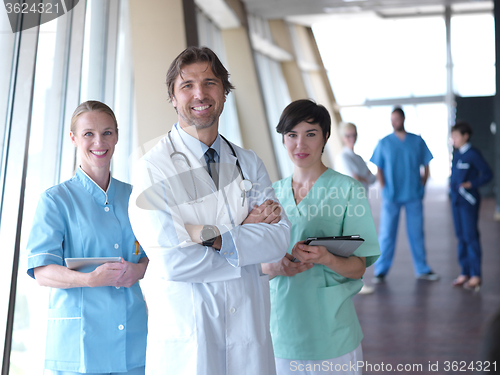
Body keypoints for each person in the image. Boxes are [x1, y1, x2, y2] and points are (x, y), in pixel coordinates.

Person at [128, 46, 290, 375]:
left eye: (210, 82)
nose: (200, 93)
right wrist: (243, 232)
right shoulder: (152, 168)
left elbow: (277, 240)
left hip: (247, 329)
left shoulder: (248, 162)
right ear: (173, 97)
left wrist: (210, 238)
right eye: (187, 85)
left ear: (225, 93)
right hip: (189, 334)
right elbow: (173, 259)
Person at [25, 101, 148, 374]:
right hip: (80, 347)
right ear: (73, 138)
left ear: (116, 136)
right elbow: (42, 271)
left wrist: (137, 270)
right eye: (88, 134)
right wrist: (89, 280)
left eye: (106, 133)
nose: (99, 142)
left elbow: (156, 255)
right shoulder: (56, 200)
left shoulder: (134, 198)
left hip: (132, 342)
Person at [262, 99, 380, 375]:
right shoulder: (269, 195)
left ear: (326, 137)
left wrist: (327, 257)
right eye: (292, 135)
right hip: (280, 333)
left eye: (310, 134)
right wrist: (274, 267)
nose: (300, 144)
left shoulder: (348, 190)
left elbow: (358, 268)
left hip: (332, 334)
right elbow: (252, 265)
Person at [370, 107, 438, 283]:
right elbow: (379, 169)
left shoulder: (416, 141)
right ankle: (381, 270)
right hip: (391, 196)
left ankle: (422, 269)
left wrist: (421, 186)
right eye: (392, 119)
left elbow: (426, 165)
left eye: (397, 119)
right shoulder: (384, 142)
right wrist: (384, 188)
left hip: (413, 195)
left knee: (416, 233)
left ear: (403, 119)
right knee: (386, 234)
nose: (395, 122)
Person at [449, 121, 492, 291]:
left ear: (465, 136)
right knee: (460, 236)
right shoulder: (457, 154)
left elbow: (487, 174)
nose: (454, 140)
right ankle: (465, 272)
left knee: (471, 236)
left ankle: (476, 275)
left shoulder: (473, 154)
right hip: (456, 201)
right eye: (452, 137)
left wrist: (471, 184)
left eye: (456, 136)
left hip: (468, 202)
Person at [335, 121, 376, 192]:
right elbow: (352, 181)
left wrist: (361, 178)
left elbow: (372, 179)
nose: (352, 138)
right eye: (348, 136)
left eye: (354, 135)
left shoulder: (358, 158)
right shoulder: (342, 158)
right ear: (342, 138)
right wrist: (364, 177)